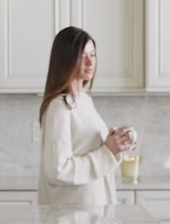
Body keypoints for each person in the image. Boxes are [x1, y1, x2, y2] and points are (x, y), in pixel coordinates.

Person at [38, 26, 136, 205]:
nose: (90, 63)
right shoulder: (59, 107)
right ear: (65, 59)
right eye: (82, 56)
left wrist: (114, 143)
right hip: (73, 219)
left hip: (93, 212)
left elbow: (88, 148)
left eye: (93, 55)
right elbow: (58, 170)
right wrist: (108, 151)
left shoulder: (84, 100)